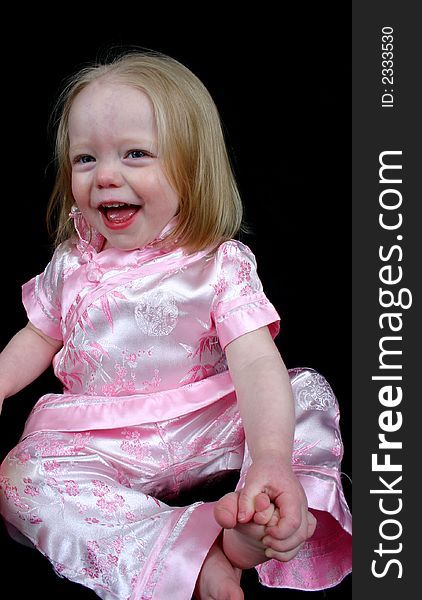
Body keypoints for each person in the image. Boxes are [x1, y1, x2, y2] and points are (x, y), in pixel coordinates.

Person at [0, 49, 351, 600]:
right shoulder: (71, 263)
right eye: (85, 159)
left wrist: (271, 455)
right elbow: (39, 336)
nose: (106, 176)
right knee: (21, 480)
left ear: (192, 166)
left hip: (208, 419)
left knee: (302, 399)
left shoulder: (216, 262)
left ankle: (271, 511)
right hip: (104, 438)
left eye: (135, 154)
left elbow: (256, 359)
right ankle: (189, 552)